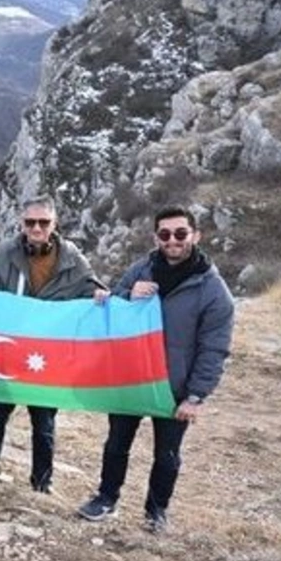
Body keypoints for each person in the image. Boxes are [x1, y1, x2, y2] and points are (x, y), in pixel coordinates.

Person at [78, 206, 234, 532]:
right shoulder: (141, 269)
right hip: (131, 379)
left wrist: (195, 396)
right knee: (116, 443)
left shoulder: (213, 291)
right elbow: (113, 304)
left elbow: (214, 349)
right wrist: (127, 294)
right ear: (156, 237)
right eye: (165, 234)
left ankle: (156, 511)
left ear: (196, 236)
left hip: (174, 388)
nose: (172, 240)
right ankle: (106, 499)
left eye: (180, 233)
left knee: (167, 454)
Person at [0, 196, 102, 495]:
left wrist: (101, 296)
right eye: (30, 222)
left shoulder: (72, 258)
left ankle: (42, 482)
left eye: (43, 222)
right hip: (7, 353)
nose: (36, 228)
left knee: (44, 424)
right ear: (21, 224)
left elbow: (90, 288)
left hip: (45, 357)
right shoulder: (3, 254)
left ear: (54, 224)